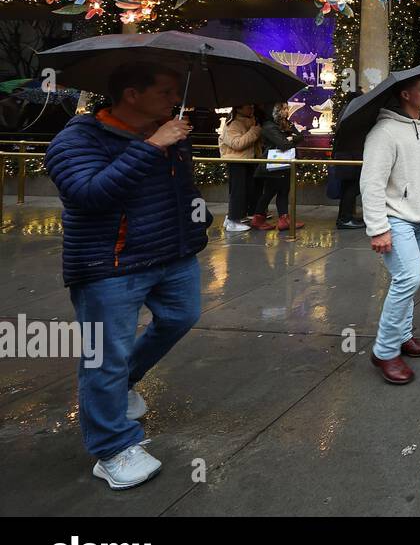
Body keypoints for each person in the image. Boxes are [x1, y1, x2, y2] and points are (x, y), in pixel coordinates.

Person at [44, 62, 210, 489]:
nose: (175, 100)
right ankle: (112, 447)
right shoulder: (78, 138)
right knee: (104, 356)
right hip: (108, 266)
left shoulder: (169, 132)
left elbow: (181, 190)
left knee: (180, 317)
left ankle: (126, 382)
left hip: (173, 257)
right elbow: (89, 195)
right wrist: (153, 145)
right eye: (165, 91)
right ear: (131, 94)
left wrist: (197, 222)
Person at [360, 75, 420, 384]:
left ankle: (403, 336)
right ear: (405, 94)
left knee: (409, 280)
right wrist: (378, 228)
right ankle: (385, 350)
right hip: (395, 219)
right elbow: (371, 183)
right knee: (408, 278)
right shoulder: (384, 132)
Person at [249, 103, 305, 232]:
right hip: (273, 166)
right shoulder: (269, 126)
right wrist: (290, 138)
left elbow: (300, 136)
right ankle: (262, 218)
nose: (286, 111)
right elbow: (283, 144)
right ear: (275, 111)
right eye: (283, 109)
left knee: (282, 191)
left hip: (284, 164)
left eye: (286, 108)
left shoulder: (286, 124)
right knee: (271, 192)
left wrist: (290, 137)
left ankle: (281, 219)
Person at [217, 103, 260, 232]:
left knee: (246, 189)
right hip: (236, 161)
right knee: (238, 190)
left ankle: (236, 215)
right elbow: (237, 144)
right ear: (239, 108)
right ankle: (232, 220)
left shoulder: (249, 121)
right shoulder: (233, 124)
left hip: (247, 160)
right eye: (248, 106)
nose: (251, 108)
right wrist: (254, 131)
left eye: (252, 106)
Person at [331, 90, 364, 230]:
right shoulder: (352, 114)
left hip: (345, 154)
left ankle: (344, 216)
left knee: (348, 187)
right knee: (351, 187)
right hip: (349, 156)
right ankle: (345, 219)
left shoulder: (345, 111)